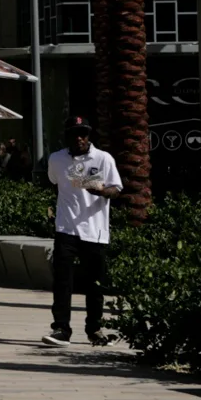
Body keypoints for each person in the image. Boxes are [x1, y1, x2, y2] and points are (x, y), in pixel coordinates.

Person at [42, 116, 123, 348]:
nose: (80, 138)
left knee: (94, 284)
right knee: (62, 281)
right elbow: (55, 181)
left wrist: (102, 191)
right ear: (67, 136)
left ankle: (94, 330)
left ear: (89, 136)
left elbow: (116, 189)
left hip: (95, 231)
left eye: (84, 133)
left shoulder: (103, 158)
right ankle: (61, 329)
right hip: (66, 228)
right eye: (75, 133)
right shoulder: (56, 159)